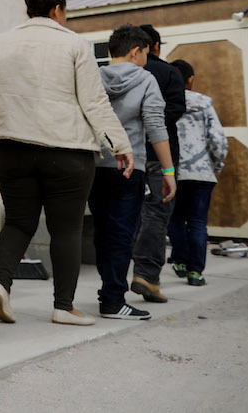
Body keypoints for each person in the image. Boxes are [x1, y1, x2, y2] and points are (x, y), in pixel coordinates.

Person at [0, 0, 132, 327]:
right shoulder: (74, 44)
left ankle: (1, 284)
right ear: (58, 10)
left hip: (12, 148)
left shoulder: (2, 41)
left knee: (17, 221)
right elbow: (93, 101)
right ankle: (63, 306)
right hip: (66, 150)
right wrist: (120, 145)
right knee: (66, 229)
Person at [87, 25, 176, 321]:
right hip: (129, 168)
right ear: (136, 50)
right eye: (146, 55)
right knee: (122, 233)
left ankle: (108, 291)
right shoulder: (145, 79)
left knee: (101, 231)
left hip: (95, 165)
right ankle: (113, 299)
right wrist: (168, 170)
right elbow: (155, 126)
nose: (147, 61)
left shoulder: (94, 76)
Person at [129, 25, 187, 304]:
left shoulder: (117, 72)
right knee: (156, 214)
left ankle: (113, 284)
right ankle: (146, 275)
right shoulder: (169, 72)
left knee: (122, 214)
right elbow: (174, 112)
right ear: (154, 46)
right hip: (159, 156)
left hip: (124, 152)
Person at [166, 59, 227, 287]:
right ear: (190, 79)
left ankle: (180, 261)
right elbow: (218, 140)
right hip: (202, 174)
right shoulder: (204, 105)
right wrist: (215, 166)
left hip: (174, 173)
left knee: (175, 219)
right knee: (198, 222)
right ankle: (195, 272)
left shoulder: (165, 104)